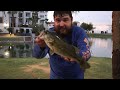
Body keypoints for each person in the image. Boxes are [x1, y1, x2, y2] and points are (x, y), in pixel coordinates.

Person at [33, 11, 91, 79]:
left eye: (65, 20)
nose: (61, 24)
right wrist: (41, 46)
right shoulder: (49, 34)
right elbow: (37, 55)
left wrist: (80, 57)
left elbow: (86, 51)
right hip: (55, 76)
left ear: (71, 20)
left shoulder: (79, 32)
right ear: (54, 21)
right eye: (58, 20)